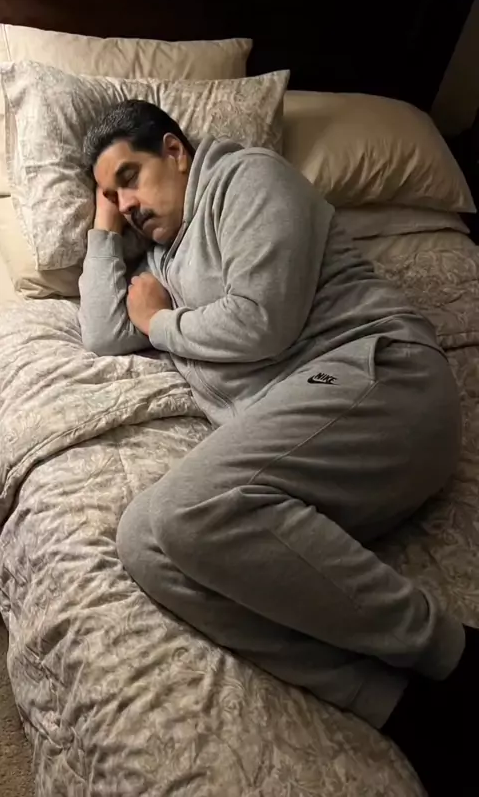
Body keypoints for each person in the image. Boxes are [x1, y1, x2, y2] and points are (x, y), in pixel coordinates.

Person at [79, 99, 475, 796]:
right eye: (115, 195)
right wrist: (104, 226)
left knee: (180, 512)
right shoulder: (160, 256)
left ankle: (454, 654)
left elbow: (262, 322)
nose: (129, 203)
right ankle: (396, 705)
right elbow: (106, 334)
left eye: (130, 177)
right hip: (307, 438)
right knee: (144, 543)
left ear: (175, 150)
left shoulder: (248, 178)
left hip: (376, 375)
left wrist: (162, 323)